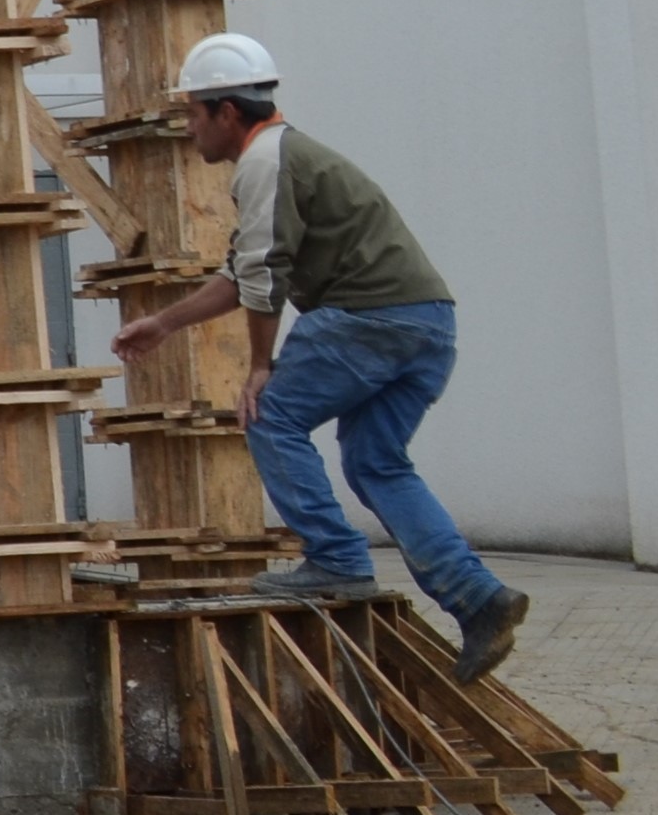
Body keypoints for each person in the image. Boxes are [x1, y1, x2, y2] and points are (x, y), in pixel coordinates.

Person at [113, 33, 530, 680]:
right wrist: (164, 324)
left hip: (369, 319)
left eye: (193, 113)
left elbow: (260, 277)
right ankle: (481, 601)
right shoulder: (282, 159)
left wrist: (260, 366)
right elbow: (239, 273)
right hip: (427, 322)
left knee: (271, 415)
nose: (188, 127)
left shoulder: (264, 161)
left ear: (228, 112)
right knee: (374, 460)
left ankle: (335, 557)